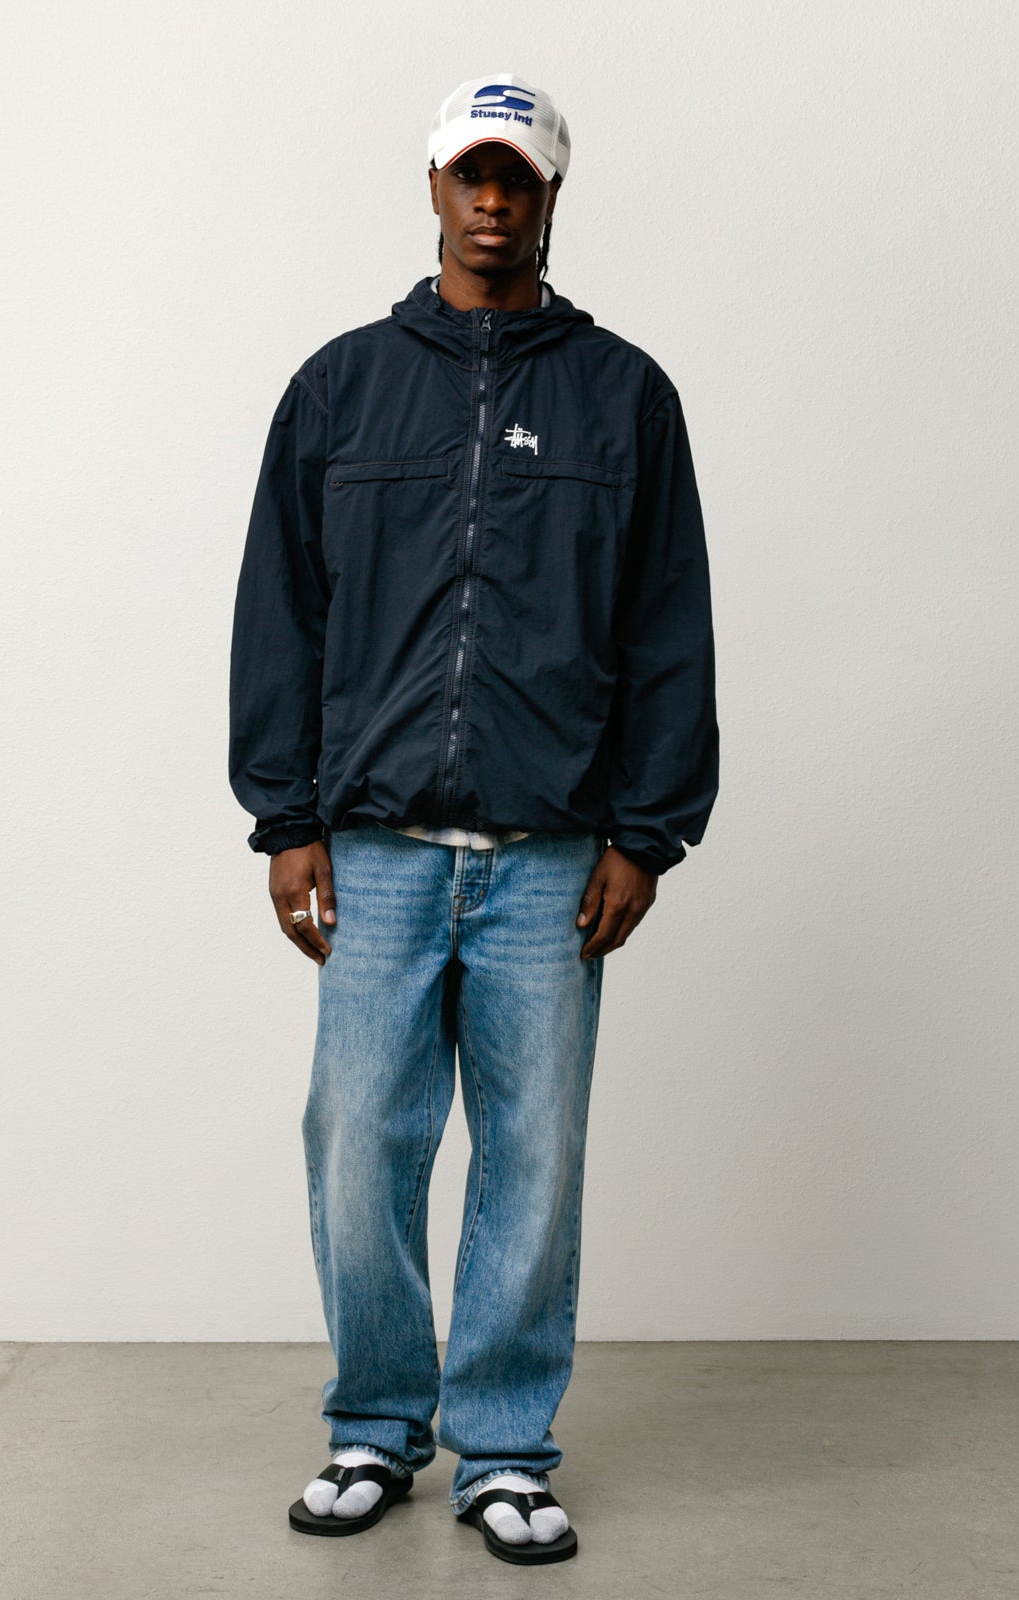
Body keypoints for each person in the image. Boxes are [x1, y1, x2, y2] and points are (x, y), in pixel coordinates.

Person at [228, 71, 718, 1567]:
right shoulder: (339, 389)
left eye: (519, 179)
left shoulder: (625, 397)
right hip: (375, 853)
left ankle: (503, 1448)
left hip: (553, 857)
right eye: (471, 175)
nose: (493, 202)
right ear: (434, 187)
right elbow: (282, 614)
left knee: (534, 1161)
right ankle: (377, 1426)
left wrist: (646, 832)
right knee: (356, 1147)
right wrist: (287, 819)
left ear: (552, 197)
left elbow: (668, 624)